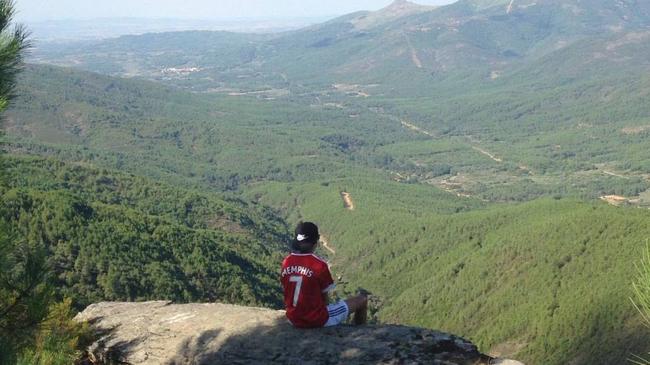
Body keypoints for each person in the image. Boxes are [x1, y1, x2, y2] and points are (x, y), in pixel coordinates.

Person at [280, 221, 368, 328]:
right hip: (316, 320)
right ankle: (359, 331)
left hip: (293, 318)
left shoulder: (286, 262)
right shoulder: (319, 265)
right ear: (316, 243)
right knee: (362, 300)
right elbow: (324, 299)